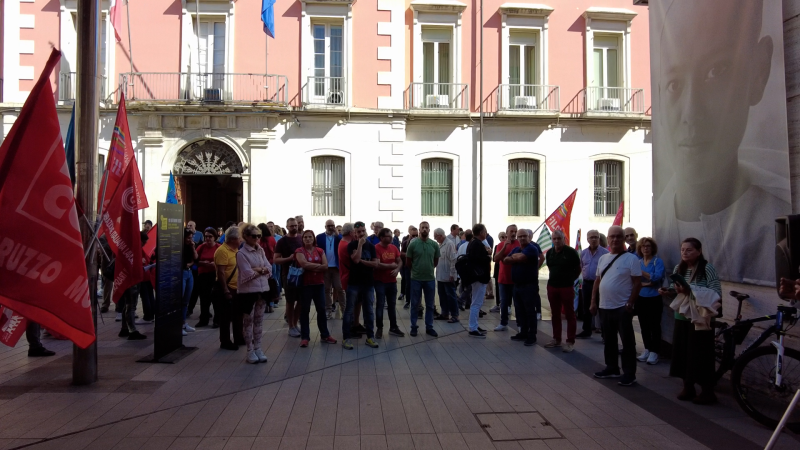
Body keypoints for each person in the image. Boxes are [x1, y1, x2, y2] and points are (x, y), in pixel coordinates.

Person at [652, 0, 789, 286]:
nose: (691, 113)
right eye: (674, 84)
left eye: (716, 71)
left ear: (759, 70)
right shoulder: (661, 230)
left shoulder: (777, 217)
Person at [659, 238, 721, 404]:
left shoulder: (707, 269)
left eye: (689, 250)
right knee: (683, 352)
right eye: (682, 250)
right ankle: (688, 386)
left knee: (701, 354)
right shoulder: (679, 268)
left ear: (699, 251)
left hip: (700, 318)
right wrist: (669, 290)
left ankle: (708, 391)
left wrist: (690, 290)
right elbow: (677, 290)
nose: (684, 253)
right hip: (683, 316)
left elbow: (715, 292)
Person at [591, 226, 642, 387]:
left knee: (627, 342)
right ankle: (612, 368)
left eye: (618, 237)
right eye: (612, 236)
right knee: (609, 340)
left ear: (623, 239)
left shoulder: (631, 259)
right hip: (605, 306)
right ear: (608, 238)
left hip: (622, 307)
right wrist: (593, 301)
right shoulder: (603, 258)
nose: (615, 239)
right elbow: (597, 281)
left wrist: (630, 303)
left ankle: (629, 373)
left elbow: (637, 283)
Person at [296, 230, 338, 347]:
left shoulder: (320, 251)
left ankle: (325, 335)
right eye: (305, 237)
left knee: (321, 310)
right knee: (305, 311)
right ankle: (305, 337)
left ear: (314, 239)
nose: (308, 239)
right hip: (305, 285)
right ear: (302, 239)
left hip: (319, 284)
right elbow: (303, 264)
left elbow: (326, 266)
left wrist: (313, 267)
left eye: (310, 237)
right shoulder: (299, 251)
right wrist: (318, 266)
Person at [236, 224, 271, 363]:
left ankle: (258, 348)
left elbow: (269, 267)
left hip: (262, 290)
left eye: (259, 236)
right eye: (254, 236)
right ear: (246, 237)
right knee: (248, 321)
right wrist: (261, 271)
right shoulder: (241, 253)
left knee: (259, 321)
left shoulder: (261, 250)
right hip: (248, 292)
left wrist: (259, 270)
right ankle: (249, 350)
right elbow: (247, 274)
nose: (257, 238)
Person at [344, 222, 380, 350]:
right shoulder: (351, 245)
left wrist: (362, 261)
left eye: (363, 231)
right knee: (349, 310)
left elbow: (375, 264)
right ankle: (346, 338)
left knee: (369, 311)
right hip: (354, 283)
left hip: (368, 283)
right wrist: (359, 245)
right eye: (358, 232)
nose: (361, 233)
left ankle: (370, 337)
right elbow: (355, 259)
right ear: (354, 233)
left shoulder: (371, 246)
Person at [503, 228, 541, 346]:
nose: (522, 238)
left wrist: (515, 257)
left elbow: (520, 258)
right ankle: (523, 332)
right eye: (520, 236)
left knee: (530, 311)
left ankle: (532, 335)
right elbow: (505, 260)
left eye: (524, 236)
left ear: (529, 237)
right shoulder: (516, 248)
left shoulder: (532, 249)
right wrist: (515, 256)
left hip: (529, 285)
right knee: (519, 311)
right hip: (517, 285)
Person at [544, 230, 581, 352]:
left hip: (566, 287)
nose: (556, 241)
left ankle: (570, 341)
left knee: (569, 314)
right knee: (555, 314)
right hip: (552, 286)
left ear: (563, 239)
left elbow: (578, 269)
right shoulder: (550, 253)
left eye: (558, 238)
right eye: (554, 239)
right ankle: (556, 339)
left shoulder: (571, 252)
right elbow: (550, 267)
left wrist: (570, 280)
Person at [406, 221, 440, 337]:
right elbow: (408, 261)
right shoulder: (413, 244)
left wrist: (429, 269)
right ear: (419, 230)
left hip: (429, 279)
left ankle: (429, 327)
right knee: (415, 304)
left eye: (426, 228)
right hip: (416, 278)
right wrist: (416, 270)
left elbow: (435, 261)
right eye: (422, 228)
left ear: (429, 230)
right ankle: (413, 327)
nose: (424, 229)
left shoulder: (434, 245)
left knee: (430, 305)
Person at [635, 237, 665, 365]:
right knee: (643, 325)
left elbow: (657, 277)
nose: (645, 248)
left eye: (648, 246)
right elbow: (635, 280)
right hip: (641, 297)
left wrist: (644, 276)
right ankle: (647, 349)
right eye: (643, 246)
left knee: (655, 325)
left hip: (654, 298)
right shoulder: (638, 261)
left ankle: (655, 352)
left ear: (652, 248)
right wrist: (648, 282)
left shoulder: (657, 262)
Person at [213, 226, 244, 350]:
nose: (242, 240)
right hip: (226, 288)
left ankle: (239, 338)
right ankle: (225, 341)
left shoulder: (235, 250)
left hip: (237, 288)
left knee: (238, 315)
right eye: (240, 238)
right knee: (225, 317)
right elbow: (220, 273)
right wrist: (225, 290)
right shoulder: (222, 251)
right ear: (233, 239)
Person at [275, 218, 303, 338]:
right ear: (287, 227)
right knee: (290, 301)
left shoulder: (302, 238)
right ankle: (291, 326)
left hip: (302, 273)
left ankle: (295, 323)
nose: (294, 227)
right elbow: (276, 259)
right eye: (291, 226)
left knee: (302, 300)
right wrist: (289, 258)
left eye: (295, 225)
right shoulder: (281, 241)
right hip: (288, 274)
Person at [577, 230, 609, 339]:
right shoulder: (583, 253)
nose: (594, 239)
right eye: (591, 237)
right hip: (587, 284)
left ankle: (605, 334)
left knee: (602, 308)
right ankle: (586, 330)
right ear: (587, 239)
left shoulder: (605, 253)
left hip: (601, 284)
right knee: (586, 308)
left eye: (596, 237)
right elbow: (581, 266)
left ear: (599, 239)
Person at [374, 227, 404, 338]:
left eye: (391, 235)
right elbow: (376, 264)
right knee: (380, 305)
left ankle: (393, 327)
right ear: (381, 237)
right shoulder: (376, 248)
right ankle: (379, 328)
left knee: (392, 305)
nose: (391, 238)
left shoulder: (393, 247)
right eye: (388, 236)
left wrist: (397, 270)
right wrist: (390, 266)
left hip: (392, 281)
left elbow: (399, 260)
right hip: (380, 281)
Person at [466, 224, 492, 338]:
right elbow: (479, 260)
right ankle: (473, 328)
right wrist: (488, 256)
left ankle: (475, 325)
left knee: (476, 302)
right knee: (476, 303)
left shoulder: (473, 243)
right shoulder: (477, 244)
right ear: (481, 232)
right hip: (479, 277)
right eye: (485, 231)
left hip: (477, 277)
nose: (486, 233)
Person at [492, 225, 519, 332]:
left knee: (517, 302)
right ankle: (503, 323)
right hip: (503, 278)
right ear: (507, 233)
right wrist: (504, 247)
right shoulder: (500, 245)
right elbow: (496, 259)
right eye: (511, 231)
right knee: (503, 302)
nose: (513, 233)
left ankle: (520, 324)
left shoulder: (519, 244)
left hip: (516, 279)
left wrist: (509, 259)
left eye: (515, 231)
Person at [316, 220, 345, 320]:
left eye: (332, 225)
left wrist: (338, 234)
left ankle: (344, 311)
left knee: (340, 289)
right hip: (325, 267)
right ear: (325, 226)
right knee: (326, 290)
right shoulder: (319, 237)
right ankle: (328, 310)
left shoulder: (338, 237)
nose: (331, 227)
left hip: (336, 267)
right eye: (329, 226)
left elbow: (344, 243)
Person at [195, 228, 221, 327]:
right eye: (206, 236)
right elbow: (195, 260)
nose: (208, 239)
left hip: (215, 275)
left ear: (215, 237)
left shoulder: (218, 247)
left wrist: (215, 264)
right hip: (203, 275)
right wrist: (203, 263)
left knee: (216, 298)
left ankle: (217, 320)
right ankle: (204, 319)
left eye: (210, 236)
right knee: (204, 298)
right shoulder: (201, 247)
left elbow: (224, 260)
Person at [433, 228, 458, 323]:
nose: (435, 239)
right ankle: (445, 313)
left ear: (440, 235)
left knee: (451, 296)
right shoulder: (440, 244)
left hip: (448, 276)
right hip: (440, 275)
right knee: (442, 295)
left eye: (436, 237)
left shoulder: (449, 244)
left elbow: (453, 260)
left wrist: (452, 273)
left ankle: (454, 315)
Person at [257, 223, 278, 313]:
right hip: (271, 263)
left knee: (263, 285)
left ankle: (264, 304)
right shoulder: (272, 239)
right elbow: (275, 249)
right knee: (271, 283)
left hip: (260, 265)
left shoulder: (258, 240)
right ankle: (271, 304)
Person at [181, 229, 198, 336]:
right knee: (180, 298)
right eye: (188, 238)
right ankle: (178, 324)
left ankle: (183, 323)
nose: (190, 240)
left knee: (186, 300)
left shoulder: (190, 246)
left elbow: (195, 258)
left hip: (189, 272)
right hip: (181, 272)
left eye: (191, 238)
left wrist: (192, 247)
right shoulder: (179, 246)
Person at [489, 232, 507, 312]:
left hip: (506, 269)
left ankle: (507, 305)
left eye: (505, 237)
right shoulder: (497, 246)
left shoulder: (508, 245)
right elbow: (494, 259)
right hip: (498, 269)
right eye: (501, 237)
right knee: (497, 287)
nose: (503, 238)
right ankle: (498, 304)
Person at [400, 226, 418, 306]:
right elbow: (401, 253)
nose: (414, 237)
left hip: (418, 267)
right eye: (413, 235)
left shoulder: (420, 242)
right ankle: (408, 301)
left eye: (416, 235)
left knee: (417, 284)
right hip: (408, 266)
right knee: (408, 283)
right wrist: (408, 255)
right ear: (410, 234)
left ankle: (417, 302)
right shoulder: (406, 242)